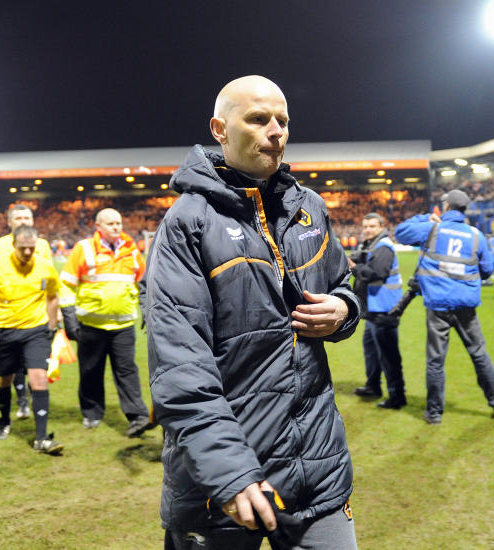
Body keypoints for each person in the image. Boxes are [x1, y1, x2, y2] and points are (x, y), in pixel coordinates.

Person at [145, 75, 361, 549]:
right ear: (220, 129)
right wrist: (230, 472)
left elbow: (343, 283)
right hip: (221, 486)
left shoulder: (309, 209)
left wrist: (344, 310)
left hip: (316, 473)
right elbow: (180, 367)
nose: (276, 130)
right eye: (259, 119)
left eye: (282, 120)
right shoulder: (189, 222)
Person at [395, 189, 494, 425]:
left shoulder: (433, 228)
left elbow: (400, 233)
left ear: (446, 207)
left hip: (438, 305)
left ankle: (434, 413)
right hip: (466, 306)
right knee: (479, 354)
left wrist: (426, 217)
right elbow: (487, 270)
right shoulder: (477, 235)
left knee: (436, 361)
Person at [61, 208, 152, 437]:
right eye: (110, 223)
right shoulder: (84, 249)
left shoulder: (132, 250)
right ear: (98, 226)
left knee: (127, 371)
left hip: (123, 326)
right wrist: (69, 317)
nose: (116, 227)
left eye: (119, 222)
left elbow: (144, 283)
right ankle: (92, 413)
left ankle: (138, 416)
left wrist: (146, 309)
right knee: (91, 371)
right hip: (91, 325)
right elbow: (66, 284)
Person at [0, 225, 64, 454]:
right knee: (4, 379)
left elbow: (53, 297)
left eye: (31, 248)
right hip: (3, 331)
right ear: (13, 245)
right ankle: (4, 421)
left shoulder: (45, 266)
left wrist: (52, 327)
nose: (27, 253)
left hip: (35, 330)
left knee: (39, 379)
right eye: (23, 248)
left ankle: (42, 437)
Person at [0, 204, 53, 420]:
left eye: (27, 218)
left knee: (33, 364)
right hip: (7, 315)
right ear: (10, 222)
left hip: (36, 314)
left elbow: (48, 280)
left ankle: (30, 399)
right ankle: (21, 399)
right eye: (19, 218)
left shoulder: (42, 245)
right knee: (13, 366)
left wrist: (54, 314)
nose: (24, 221)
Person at [349, 213, 406, 409]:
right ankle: (373, 386)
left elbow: (377, 274)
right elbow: (364, 257)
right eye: (365, 226)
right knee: (371, 352)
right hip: (374, 310)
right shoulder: (373, 244)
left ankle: (397, 396)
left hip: (384, 310)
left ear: (382, 226)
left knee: (389, 356)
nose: (367, 230)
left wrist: (355, 267)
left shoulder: (384, 247)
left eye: (372, 226)